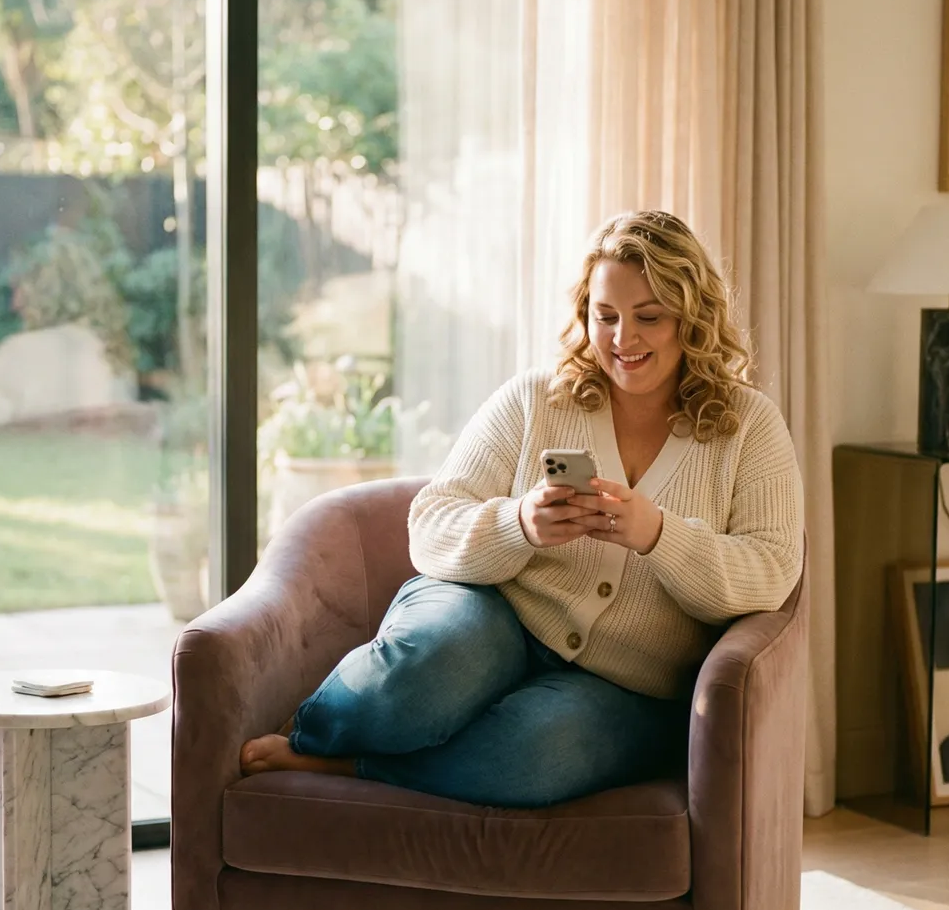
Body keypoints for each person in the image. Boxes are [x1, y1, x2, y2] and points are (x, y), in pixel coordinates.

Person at [240, 209, 804, 807]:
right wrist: (519, 525)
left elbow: (772, 571)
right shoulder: (537, 398)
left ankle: (351, 765)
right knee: (424, 670)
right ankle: (313, 732)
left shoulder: (749, 426)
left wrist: (659, 535)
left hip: (627, 685)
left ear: (691, 317)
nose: (623, 339)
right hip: (493, 614)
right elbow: (430, 523)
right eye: (605, 316)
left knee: (531, 758)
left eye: (649, 317)